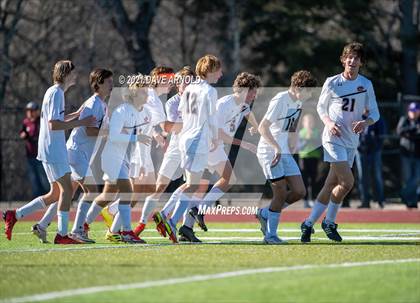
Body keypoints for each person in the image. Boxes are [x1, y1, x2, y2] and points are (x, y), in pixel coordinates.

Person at [3, 60, 97, 244]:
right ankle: (62, 235)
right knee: (67, 190)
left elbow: (57, 119)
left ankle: (15, 215)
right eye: (73, 73)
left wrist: (76, 114)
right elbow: (54, 125)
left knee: (55, 194)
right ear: (66, 74)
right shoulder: (57, 93)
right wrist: (81, 122)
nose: (76, 76)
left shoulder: (53, 91)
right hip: (54, 150)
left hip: (49, 149)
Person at [300, 42, 380, 243]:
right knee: (348, 182)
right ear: (343, 60)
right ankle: (329, 222)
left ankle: (308, 223)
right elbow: (320, 108)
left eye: (356, 58)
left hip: (351, 142)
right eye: (349, 57)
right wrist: (328, 123)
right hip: (332, 139)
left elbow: (375, 114)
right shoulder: (332, 82)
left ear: (361, 62)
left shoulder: (366, 84)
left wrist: (365, 122)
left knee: (330, 184)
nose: (352, 61)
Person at [31, 68, 114, 243]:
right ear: (98, 84)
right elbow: (90, 130)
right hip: (77, 152)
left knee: (67, 193)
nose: (112, 84)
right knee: (90, 192)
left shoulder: (102, 104)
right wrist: (110, 133)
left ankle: (42, 225)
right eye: (108, 81)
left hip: (78, 153)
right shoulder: (94, 104)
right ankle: (77, 230)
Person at [160, 54, 222, 242]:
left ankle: (166, 215)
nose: (221, 73)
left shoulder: (189, 89)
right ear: (210, 70)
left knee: (190, 184)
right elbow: (211, 118)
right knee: (192, 185)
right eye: (218, 69)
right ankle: (170, 219)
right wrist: (215, 138)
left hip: (185, 139)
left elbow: (185, 116)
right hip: (198, 139)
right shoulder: (210, 91)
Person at [84, 77, 152, 243]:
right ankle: (127, 232)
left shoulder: (144, 113)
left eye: (147, 91)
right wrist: (136, 137)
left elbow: (143, 141)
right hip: (112, 157)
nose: (147, 94)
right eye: (143, 91)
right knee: (128, 192)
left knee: (107, 196)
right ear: (134, 94)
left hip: (124, 159)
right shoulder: (122, 111)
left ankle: (82, 224)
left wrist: (142, 163)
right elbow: (114, 136)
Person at [256, 70, 317, 244]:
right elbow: (263, 127)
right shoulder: (280, 99)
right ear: (298, 87)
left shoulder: (298, 103)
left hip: (284, 152)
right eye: (308, 90)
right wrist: (276, 147)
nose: (310, 94)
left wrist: (293, 141)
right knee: (280, 192)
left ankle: (266, 213)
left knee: (299, 191)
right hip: (269, 151)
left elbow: (291, 126)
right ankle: (270, 236)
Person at [355, 111, 386, 208]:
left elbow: (382, 134)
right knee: (362, 177)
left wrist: (376, 146)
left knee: (377, 176)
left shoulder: (376, 117)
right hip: (360, 151)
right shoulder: (357, 116)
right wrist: (358, 145)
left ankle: (380, 200)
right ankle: (365, 201)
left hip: (374, 151)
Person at [20, 101, 49, 198]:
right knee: (34, 179)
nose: (30, 113)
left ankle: (51, 196)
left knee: (44, 179)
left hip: (40, 155)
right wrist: (23, 135)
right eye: (28, 110)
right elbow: (22, 132)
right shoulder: (26, 122)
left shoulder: (41, 121)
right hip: (30, 155)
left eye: (32, 110)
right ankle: (38, 199)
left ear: (37, 111)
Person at [397, 102, 420, 208]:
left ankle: (403, 193)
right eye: (412, 111)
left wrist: (411, 133)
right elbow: (400, 131)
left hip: (417, 154)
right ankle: (411, 202)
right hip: (406, 154)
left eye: (415, 111)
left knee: (416, 178)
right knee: (408, 178)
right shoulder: (404, 120)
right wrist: (414, 129)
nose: (413, 113)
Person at [298, 113, 322, 208]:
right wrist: (306, 140)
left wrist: (312, 138)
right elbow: (299, 146)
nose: (309, 123)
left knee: (313, 179)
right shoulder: (300, 133)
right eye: (307, 121)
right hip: (304, 157)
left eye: (311, 121)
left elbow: (319, 145)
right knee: (304, 179)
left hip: (314, 157)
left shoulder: (317, 132)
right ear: (303, 123)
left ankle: (312, 199)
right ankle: (305, 200)